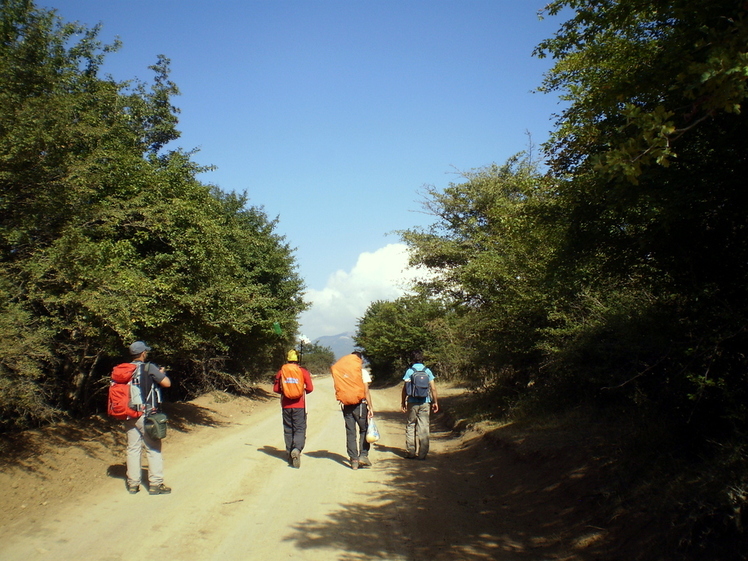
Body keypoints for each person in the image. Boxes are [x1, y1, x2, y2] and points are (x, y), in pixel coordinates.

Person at [124, 341, 172, 495]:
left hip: (129, 414)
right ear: (143, 353)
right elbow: (166, 383)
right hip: (147, 415)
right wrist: (161, 373)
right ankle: (156, 484)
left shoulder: (125, 369)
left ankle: (133, 484)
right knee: (153, 448)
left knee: (133, 449)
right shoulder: (148, 367)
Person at [330, 351, 374, 470]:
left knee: (350, 432)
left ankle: (354, 460)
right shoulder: (362, 372)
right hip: (360, 405)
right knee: (364, 429)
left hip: (346, 405)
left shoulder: (343, 372)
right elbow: (366, 391)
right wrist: (370, 407)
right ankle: (363, 455)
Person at [273, 349, 314, 468]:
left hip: (286, 405)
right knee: (299, 428)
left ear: (287, 359)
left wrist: (285, 391)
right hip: (299, 405)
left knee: (288, 429)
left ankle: (289, 453)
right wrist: (301, 391)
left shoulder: (281, 371)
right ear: (297, 360)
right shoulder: (302, 371)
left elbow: (275, 389)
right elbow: (310, 388)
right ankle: (296, 449)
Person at [401, 353, 438, 460]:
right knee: (424, 427)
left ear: (412, 360)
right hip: (425, 402)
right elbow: (433, 388)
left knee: (411, 425)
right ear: (422, 360)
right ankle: (423, 454)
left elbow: (405, 389)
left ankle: (411, 452)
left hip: (412, 402)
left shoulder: (409, 371)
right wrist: (435, 402)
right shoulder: (427, 371)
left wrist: (403, 402)